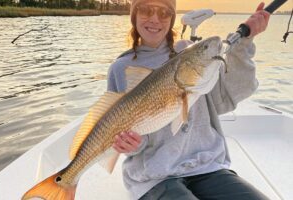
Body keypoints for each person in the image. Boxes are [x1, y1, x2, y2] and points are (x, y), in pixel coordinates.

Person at [107, 0, 270, 199]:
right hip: (155, 175)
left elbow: (226, 97)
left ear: (172, 18)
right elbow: (120, 130)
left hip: (206, 166)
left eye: (164, 13)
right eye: (146, 10)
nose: (155, 19)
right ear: (133, 15)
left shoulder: (192, 53)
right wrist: (132, 145)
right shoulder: (120, 68)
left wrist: (245, 43)